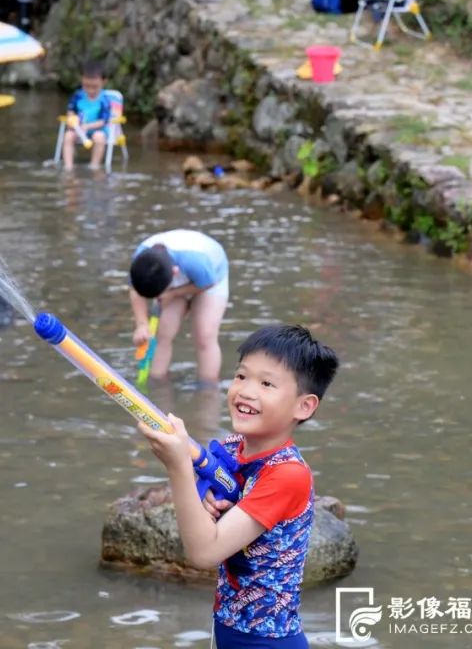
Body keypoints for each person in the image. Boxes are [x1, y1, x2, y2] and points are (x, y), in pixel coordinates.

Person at [137, 325, 339, 648]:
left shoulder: (289, 475)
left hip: (268, 641)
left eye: (267, 383)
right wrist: (205, 501)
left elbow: (203, 553)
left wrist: (178, 468)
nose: (245, 390)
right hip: (226, 626)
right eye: (241, 376)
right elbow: (206, 525)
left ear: (304, 406)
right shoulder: (231, 448)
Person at [129, 229, 229, 384]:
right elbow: (136, 290)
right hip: (169, 280)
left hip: (212, 279)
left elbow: (208, 283)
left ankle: (208, 389)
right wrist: (141, 324)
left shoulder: (198, 262)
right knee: (162, 333)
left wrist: (174, 293)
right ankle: (157, 387)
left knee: (204, 335)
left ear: (175, 273)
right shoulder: (140, 261)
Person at [61, 61, 111, 171]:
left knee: (99, 137)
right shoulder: (77, 96)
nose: (90, 90)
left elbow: (103, 121)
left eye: (94, 87)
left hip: (97, 129)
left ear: (103, 82)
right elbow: (71, 111)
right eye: (86, 86)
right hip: (78, 128)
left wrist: (87, 127)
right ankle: (68, 166)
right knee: (68, 136)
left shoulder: (104, 100)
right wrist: (72, 119)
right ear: (82, 81)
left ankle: (94, 165)